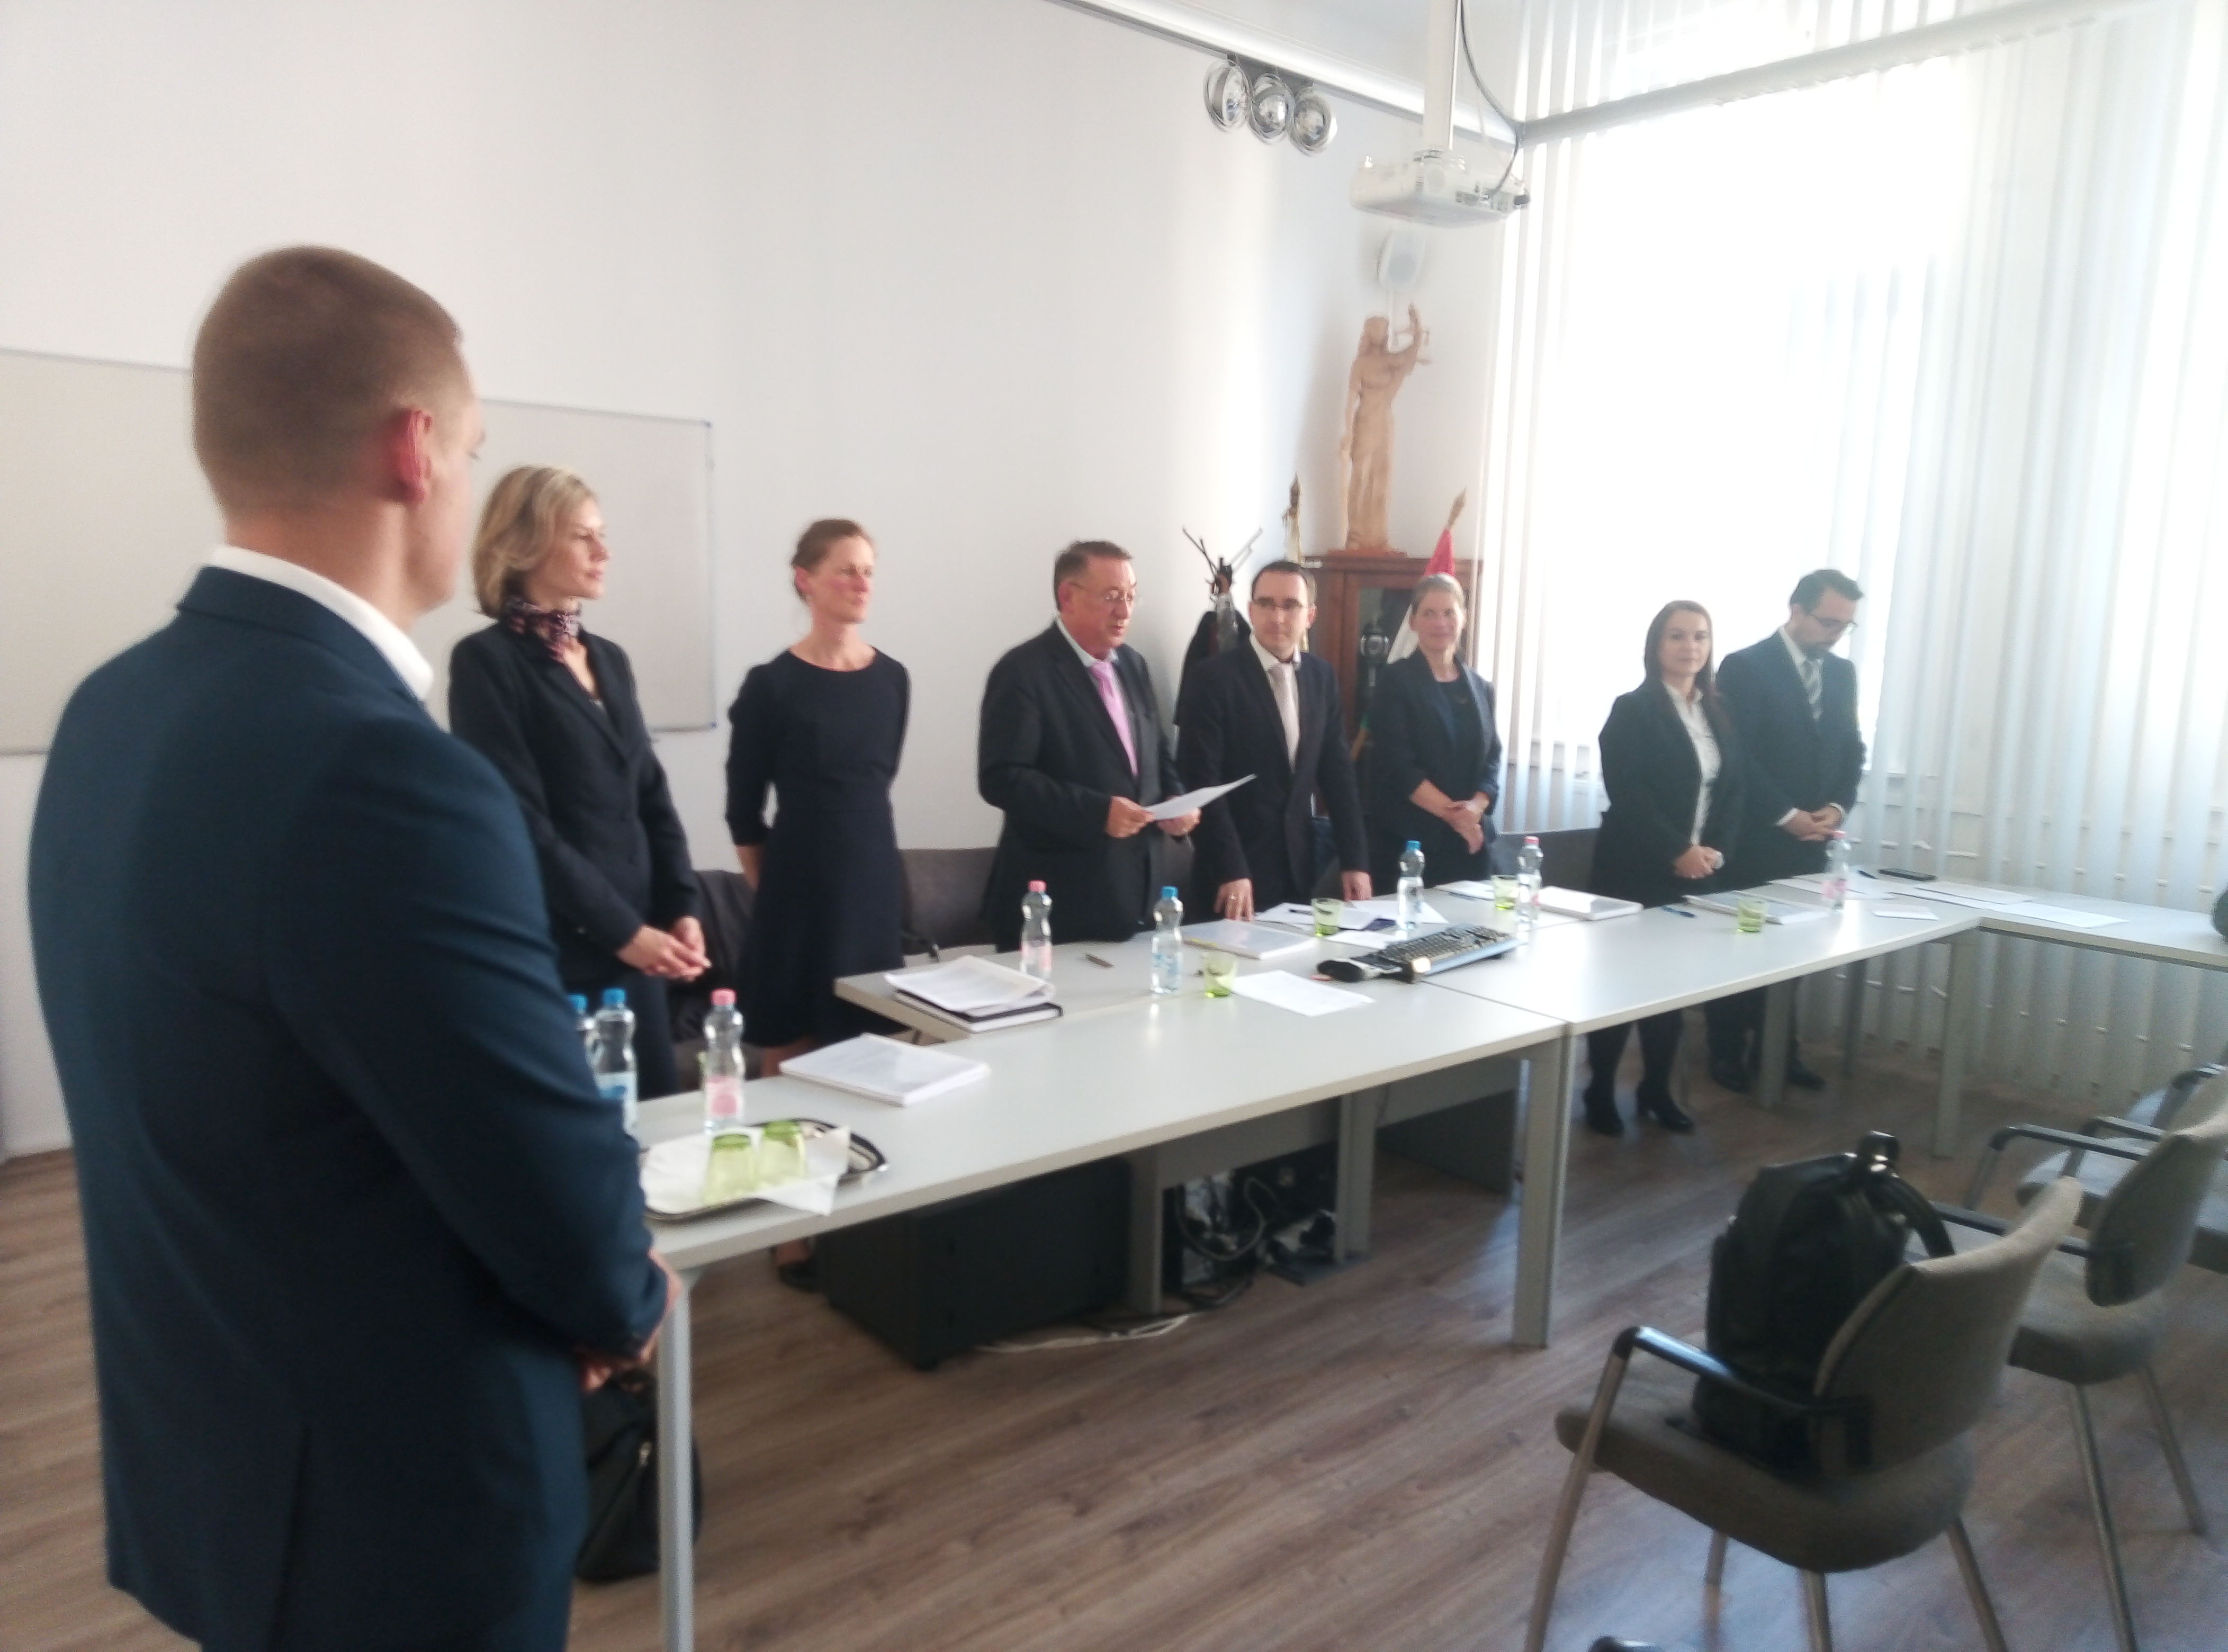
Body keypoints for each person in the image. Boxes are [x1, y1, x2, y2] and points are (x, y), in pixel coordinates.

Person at [28, 247, 677, 1652]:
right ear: (414, 448)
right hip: (391, 1513)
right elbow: (536, 1165)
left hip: (215, 1454)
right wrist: (628, 1295)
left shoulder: (106, 715)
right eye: (477, 448)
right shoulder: (384, 771)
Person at [450, 466, 707, 1100]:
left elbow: (650, 795)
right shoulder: (487, 663)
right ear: (526, 545)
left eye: (602, 534)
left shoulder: (609, 659)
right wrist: (622, 932)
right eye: (581, 536)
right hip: (564, 950)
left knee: (657, 1122)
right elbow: (520, 824)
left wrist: (681, 907)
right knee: (587, 1127)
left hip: (640, 948)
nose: (603, 552)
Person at [725, 519, 908, 1073]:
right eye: (847, 571)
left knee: (874, 1048)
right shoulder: (771, 685)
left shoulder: (892, 679)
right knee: (789, 1049)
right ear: (805, 579)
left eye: (868, 571)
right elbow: (743, 810)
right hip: (797, 888)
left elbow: (876, 781)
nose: (862, 583)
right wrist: (778, 887)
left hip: (872, 884)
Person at [978, 541, 1199, 949]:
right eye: (1112, 597)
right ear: (1068, 597)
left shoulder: (1133, 664)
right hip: (1059, 904)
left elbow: (1156, 751)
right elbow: (1002, 779)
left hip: (1138, 896)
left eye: (1131, 596)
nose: (1125, 611)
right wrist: (1098, 813)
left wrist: (1175, 797)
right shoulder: (1023, 671)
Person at [1582, 601, 1748, 1136]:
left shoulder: (1718, 710)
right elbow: (1629, 794)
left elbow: (1734, 790)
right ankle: (1599, 1089)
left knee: (1671, 990)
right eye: (1677, 636)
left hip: (1700, 870)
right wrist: (1676, 850)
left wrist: (1715, 850)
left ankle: (1655, 1088)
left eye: (1699, 636)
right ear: (1656, 645)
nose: (1689, 647)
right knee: (1620, 986)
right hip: (1634, 870)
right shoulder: (1632, 709)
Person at [1703, 569, 1868, 1093]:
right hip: (1757, 836)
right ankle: (1726, 1051)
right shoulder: (1746, 667)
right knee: (1742, 947)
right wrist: (1785, 814)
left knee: (1794, 952)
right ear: (1796, 610)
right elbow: (1738, 756)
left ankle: (1777, 1051)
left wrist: (1836, 809)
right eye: (1827, 622)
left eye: (1845, 625)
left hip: (1813, 840)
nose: (1835, 634)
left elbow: (1851, 749)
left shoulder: (1841, 674)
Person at [1178, 560, 1371, 919]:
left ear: (1310, 616)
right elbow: (1201, 782)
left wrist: (1355, 861)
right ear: (1251, 610)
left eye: (1290, 606)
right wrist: (1231, 868)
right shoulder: (1212, 679)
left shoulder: (1321, 677)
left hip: (1299, 871)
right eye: (1266, 604)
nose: (1277, 617)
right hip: (1231, 877)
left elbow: (1339, 776)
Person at [1365, 573, 1504, 891]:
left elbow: (1492, 760)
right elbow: (1398, 767)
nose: (1440, 622)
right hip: (1412, 847)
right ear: (1413, 621)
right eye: (1429, 613)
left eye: (1449, 612)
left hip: (1472, 844)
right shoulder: (1395, 682)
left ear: (1463, 618)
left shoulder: (1482, 688)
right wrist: (1457, 817)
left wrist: (1475, 809)